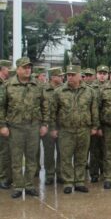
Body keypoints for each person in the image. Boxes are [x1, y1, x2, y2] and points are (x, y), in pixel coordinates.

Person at [0, 57, 47, 198]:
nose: (28, 70)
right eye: (24, 67)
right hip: (15, 127)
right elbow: (1, 107)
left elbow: (44, 106)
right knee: (16, 158)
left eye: (29, 67)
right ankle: (19, 186)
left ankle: (29, 185)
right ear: (18, 69)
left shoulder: (38, 85)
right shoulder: (8, 85)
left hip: (33, 127)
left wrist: (45, 124)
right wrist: (2, 125)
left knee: (32, 158)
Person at [49, 65, 99, 194]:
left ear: (79, 76)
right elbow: (53, 112)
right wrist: (53, 128)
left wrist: (95, 126)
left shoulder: (89, 91)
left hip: (84, 129)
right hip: (66, 130)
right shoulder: (59, 92)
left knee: (81, 157)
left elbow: (94, 110)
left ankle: (79, 181)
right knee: (66, 157)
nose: (70, 77)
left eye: (72, 75)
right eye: (68, 75)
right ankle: (68, 182)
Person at [42, 67, 64, 185]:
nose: (62, 78)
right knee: (49, 152)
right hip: (49, 126)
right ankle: (49, 175)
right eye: (59, 76)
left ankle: (60, 174)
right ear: (52, 77)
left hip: (62, 126)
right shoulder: (44, 90)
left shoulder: (64, 89)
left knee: (62, 152)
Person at [88, 65, 109, 183]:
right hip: (95, 125)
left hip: (107, 125)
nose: (102, 75)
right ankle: (94, 173)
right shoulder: (90, 88)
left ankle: (106, 172)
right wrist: (96, 126)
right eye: (100, 73)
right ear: (96, 74)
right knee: (94, 151)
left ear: (108, 75)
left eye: (104, 73)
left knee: (107, 151)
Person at [0, 59, 12, 190]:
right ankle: (3, 178)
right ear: (3, 69)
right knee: (4, 152)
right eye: (8, 68)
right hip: (2, 123)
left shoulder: (6, 84)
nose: (10, 71)